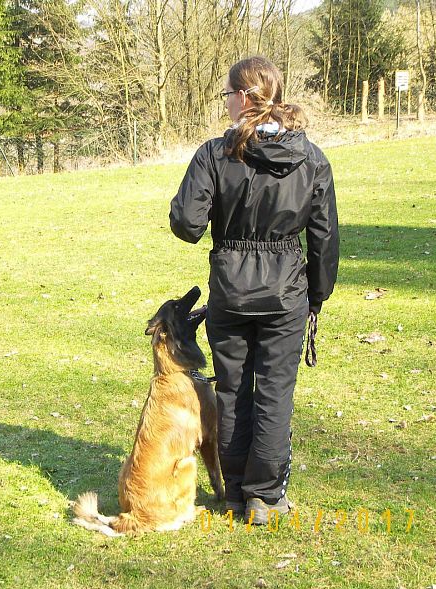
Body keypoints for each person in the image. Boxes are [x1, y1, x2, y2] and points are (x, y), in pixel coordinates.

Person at [169, 56, 339, 524]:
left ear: (244, 97)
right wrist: (316, 296)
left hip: (230, 287)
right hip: (286, 291)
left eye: (226, 94)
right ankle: (264, 495)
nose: (224, 102)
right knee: (274, 393)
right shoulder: (310, 157)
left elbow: (186, 225)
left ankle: (238, 492)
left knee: (233, 390)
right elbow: (324, 237)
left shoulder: (215, 154)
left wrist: (196, 206)